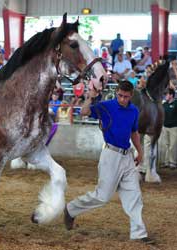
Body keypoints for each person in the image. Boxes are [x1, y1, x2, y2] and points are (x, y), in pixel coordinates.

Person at [64, 81, 154, 244]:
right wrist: (89, 98)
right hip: (110, 155)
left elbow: (134, 132)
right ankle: (71, 209)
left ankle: (139, 233)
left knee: (134, 195)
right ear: (116, 92)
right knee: (102, 197)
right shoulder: (106, 106)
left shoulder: (134, 110)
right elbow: (84, 112)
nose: (122, 99)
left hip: (127, 157)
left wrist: (140, 151)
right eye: (120, 95)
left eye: (126, 97)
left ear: (131, 96)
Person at [161, 88, 177, 169]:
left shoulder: (176, 103)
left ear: (171, 95)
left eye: (166, 94)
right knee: (166, 145)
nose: (165, 96)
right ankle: (166, 162)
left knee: (173, 145)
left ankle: (173, 162)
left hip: (174, 127)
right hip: (165, 127)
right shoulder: (164, 104)